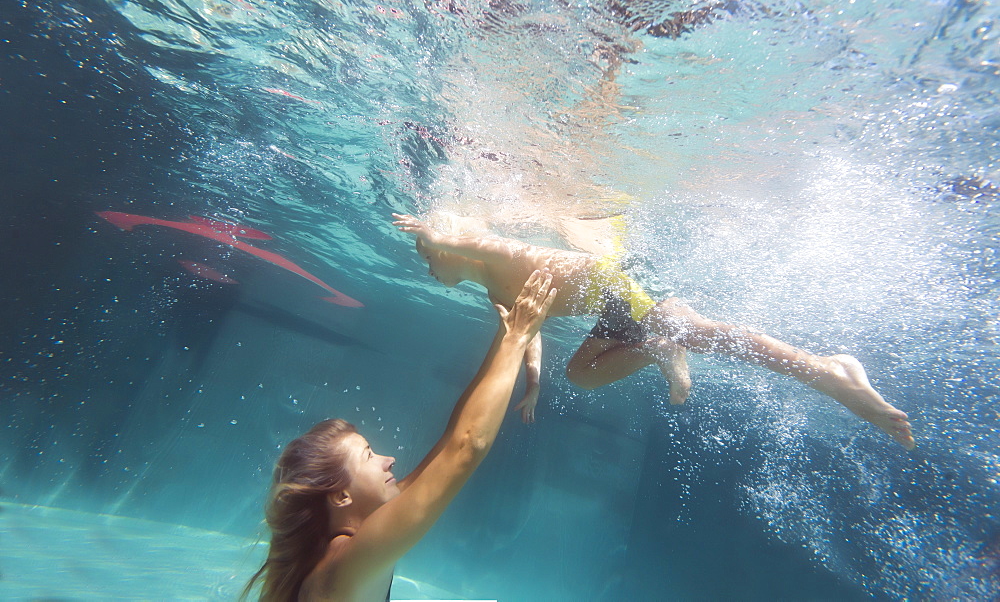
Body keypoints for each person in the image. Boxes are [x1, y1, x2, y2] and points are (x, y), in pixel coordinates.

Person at [392, 213, 915, 450]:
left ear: (447, 250)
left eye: (427, 257)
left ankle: (829, 371)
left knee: (711, 337)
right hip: (611, 302)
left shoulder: (498, 254)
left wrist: (429, 229)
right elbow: (527, 331)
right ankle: (666, 348)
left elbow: (462, 236)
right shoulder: (494, 290)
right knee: (587, 372)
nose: (427, 267)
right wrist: (532, 386)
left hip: (614, 288)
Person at [243, 271, 557, 601]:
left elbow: (452, 441)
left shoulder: (347, 548)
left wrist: (506, 331)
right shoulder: (347, 562)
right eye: (368, 455)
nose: (389, 459)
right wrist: (516, 339)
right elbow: (467, 448)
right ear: (340, 497)